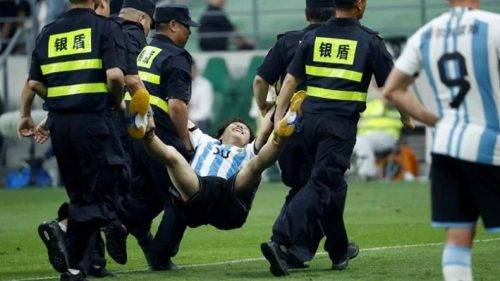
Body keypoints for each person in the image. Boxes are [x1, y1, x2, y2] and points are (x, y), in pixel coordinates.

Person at [261, 0, 406, 276]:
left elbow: (289, 81)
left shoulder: (313, 36)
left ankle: (339, 250)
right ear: (360, 6)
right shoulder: (369, 41)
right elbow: (393, 86)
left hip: (306, 124)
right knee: (321, 185)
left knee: (330, 187)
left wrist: (279, 117)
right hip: (337, 128)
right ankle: (281, 241)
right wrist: (406, 117)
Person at [382, 0, 500, 280]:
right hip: (491, 145)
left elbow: (392, 90)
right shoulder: (493, 25)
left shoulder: (425, 33)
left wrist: (433, 118)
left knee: (458, 235)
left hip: (446, 145)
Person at [254, 0, 358, 269]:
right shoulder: (338, 42)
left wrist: (265, 107)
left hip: (288, 130)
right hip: (323, 126)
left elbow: (260, 81)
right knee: (326, 187)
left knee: (309, 187)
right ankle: (294, 246)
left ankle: (310, 251)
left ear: (306, 14)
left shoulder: (287, 42)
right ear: (335, 12)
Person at [27, 0, 127, 278]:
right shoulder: (104, 27)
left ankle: (77, 269)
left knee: (81, 194)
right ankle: (64, 225)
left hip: (61, 126)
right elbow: (116, 76)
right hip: (95, 122)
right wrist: (117, 103)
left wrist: (63, 101)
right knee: (115, 188)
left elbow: (35, 83)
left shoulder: (48, 31)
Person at [130, 87, 305, 231]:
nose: (239, 127)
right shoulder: (203, 139)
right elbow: (181, 118)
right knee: (172, 156)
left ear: (249, 140)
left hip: (231, 200)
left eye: (244, 129)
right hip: (197, 191)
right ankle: (144, 130)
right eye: (235, 125)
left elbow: (265, 129)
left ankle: (283, 131)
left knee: (255, 165)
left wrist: (279, 100)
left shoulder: (248, 151)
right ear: (220, 135)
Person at [122, 3, 200, 270]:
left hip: (132, 133)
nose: (190, 32)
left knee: (146, 196)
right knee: (182, 198)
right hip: (160, 137)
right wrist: (185, 142)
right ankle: (160, 255)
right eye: (187, 26)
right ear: (174, 25)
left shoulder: (141, 49)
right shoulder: (177, 56)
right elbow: (177, 105)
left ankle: (118, 224)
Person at [354, 97, 403, 180]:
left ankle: (367, 174)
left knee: (361, 141)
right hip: (365, 137)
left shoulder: (392, 100)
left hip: (387, 136)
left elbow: (388, 99)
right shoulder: (369, 104)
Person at [188, 62, 214, 132]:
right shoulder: (180, 83)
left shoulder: (205, 84)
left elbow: (204, 111)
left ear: (195, 69)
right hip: (184, 120)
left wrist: (190, 121)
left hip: (200, 121)